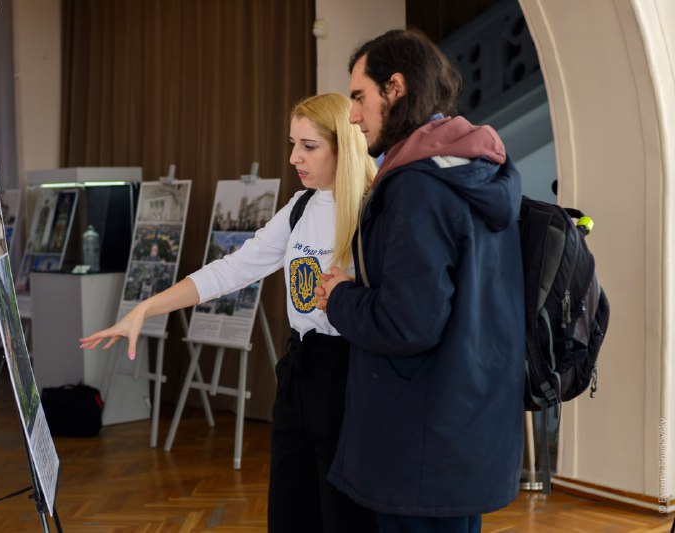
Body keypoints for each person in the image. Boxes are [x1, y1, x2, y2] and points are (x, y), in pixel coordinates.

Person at [80, 93, 378, 533]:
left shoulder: (374, 210)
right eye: (292, 143)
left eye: (309, 146)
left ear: (345, 145)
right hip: (300, 372)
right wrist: (147, 308)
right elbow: (233, 269)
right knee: (292, 513)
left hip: (353, 377)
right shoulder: (299, 207)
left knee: (345, 517)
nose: (295, 156)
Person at [315, 28, 526, 532]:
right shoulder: (474, 170)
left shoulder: (416, 187)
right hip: (462, 424)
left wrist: (339, 296)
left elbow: (409, 323)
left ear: (396, 88)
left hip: (420, 438)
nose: (354, 116)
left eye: (360, 97)